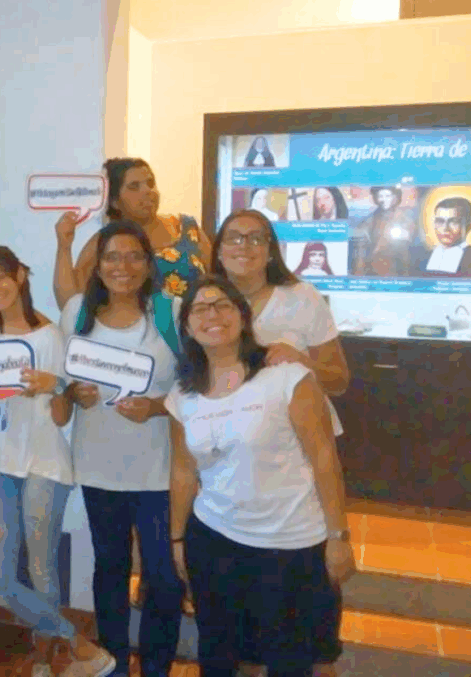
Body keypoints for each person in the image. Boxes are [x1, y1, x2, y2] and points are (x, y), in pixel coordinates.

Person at [165, 276, 356, 677]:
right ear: (187, 327)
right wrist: (177, 539)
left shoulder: (286, 377)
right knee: (218, 657)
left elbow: (324, 459)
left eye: (223, 305)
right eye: (200, 308)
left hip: (291, 544)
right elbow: (183, 471)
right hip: (214, 540)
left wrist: (338, 536)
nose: (213, 315)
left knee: (290, 662)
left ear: (243, 317)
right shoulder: (182, 395)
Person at [210, 210, 350, 677]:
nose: (244, 246)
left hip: (304, 459)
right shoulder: (207, 302)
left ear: (271, 249)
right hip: (240, 462)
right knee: (251, 606)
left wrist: (299, 358)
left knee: (311, 599)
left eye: (257, 238)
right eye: (234, 237)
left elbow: (340, 379)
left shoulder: (301, 298)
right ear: (218, 248)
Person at [0, 245, 115, 677]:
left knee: (42, 570)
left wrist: (55, 385)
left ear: (20, 275)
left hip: (43, 465)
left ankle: (48, 661)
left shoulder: (50, 337)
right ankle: (78, 643)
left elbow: (63, 415)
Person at [59, 221, 185, 677]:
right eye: (112, 257)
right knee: (110, 568)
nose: (122, 267)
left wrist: (157, 406)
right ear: (98, 265)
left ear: (149, 264)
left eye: (134, 256)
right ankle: (113, 664)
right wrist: (76, 394)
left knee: (164, 577)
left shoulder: (171, 312)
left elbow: (197, 387)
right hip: (99, 467)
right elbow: (64, 381)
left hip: (160, 470)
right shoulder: (77, 312)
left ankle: (156, 667)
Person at [54, 157, 212, 307]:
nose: (148, 191)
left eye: (150, 183)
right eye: (134, 186)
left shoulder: (188, 229)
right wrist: (64, 246)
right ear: (115, 201)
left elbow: (216, 282)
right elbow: (69, 302)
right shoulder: (106, 240)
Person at [349, 186, 417, 277]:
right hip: (374, 270)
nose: (384, 200)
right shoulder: (368, 221)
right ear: (375, 198)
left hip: (398, 270)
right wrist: (358, 275)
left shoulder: (405, 220)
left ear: (395, 197)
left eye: (388, 196)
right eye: (380, 196)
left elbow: (410, 250)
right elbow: (360, 252)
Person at [414, 196, 471, 276]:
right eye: (440, 221)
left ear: (469, 226)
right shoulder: (421, 256)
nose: (445, 228)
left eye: (454, 222)